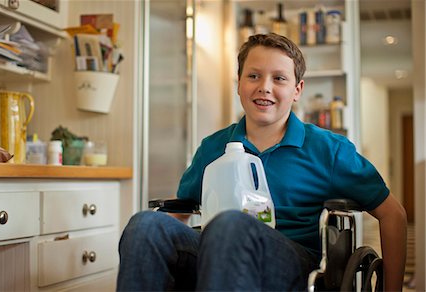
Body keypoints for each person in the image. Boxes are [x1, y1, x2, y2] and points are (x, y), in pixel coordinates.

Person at [116, 33, 407, 291]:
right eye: (253, 76)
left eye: (279, 78)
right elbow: (180, 213)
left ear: (297, 90)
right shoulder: (213, 147)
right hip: (215, 251)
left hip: (294, 264)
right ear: (239, 84)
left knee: (231, 224)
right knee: (146, 224)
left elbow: (392, 213)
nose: (264, 87)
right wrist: (158, 241)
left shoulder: (329, 150)